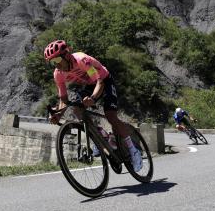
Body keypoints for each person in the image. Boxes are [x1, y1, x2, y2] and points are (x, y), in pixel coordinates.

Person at [45, 40, 143, 172]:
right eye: (52, 62)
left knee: (111, 116)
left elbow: (100, 82)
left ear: (67, 55)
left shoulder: (82, 60)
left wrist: (92, 98)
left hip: (104, 81)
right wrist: (58, 114)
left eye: (57, 59)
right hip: (90, 85)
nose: (56, 64)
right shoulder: (58, 73)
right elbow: (64, 99)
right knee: (76, 108)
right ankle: (99, 134)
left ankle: (134, 151)